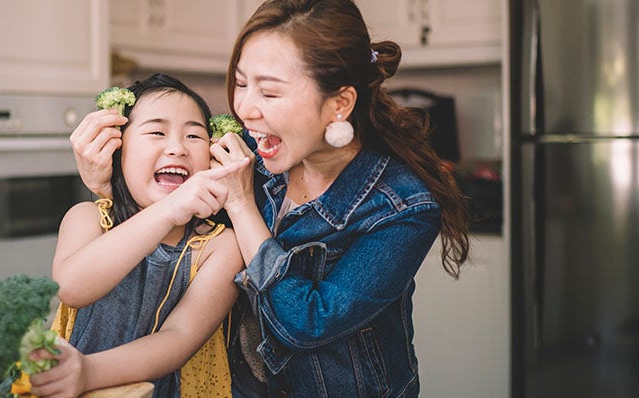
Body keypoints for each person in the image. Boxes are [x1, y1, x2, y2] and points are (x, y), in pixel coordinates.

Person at [73, 1, 470, 396]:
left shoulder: (402, 207)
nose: (244, 108)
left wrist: (243, 206)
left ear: (339, 104)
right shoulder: (250, 151)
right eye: (241, 83)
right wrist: (107, 186)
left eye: (269, 92)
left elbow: (307, 324)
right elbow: (173, 224)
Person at [29, 73, 247, 398]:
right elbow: (71, 287)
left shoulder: (221, 246)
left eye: (194, 136)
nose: (177, 148)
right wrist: (170, 208)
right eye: (157, 132)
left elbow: (180, 337)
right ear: (118, 151)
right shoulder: (88, 218)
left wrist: (88, 373)